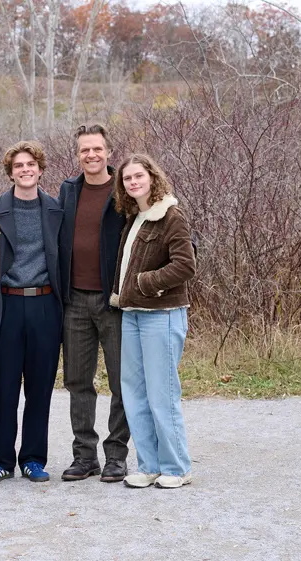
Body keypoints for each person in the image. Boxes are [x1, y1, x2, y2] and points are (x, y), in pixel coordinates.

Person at [109, 153, 196, 489]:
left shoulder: (170, 216)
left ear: (152, 177)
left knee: (163, 393)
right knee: (135, 393)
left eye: (138, 176)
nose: (133, 182)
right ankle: (148, 465)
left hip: (162, 315)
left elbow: (185, 265)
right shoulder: (136, 218)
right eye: (127, 179)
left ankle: (177, 467)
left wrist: (145, 283)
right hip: (130, 315)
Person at [0, 140, 63, 485]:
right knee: (5, 387)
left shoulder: (57, 210)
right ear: (10, 172)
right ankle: (1, 460)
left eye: (31, 164)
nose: (25, 170)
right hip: (7, 304)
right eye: (18, 166)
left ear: (41, 169)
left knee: (41, 388)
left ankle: (32, 458)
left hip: (45, 304)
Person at [57, 124, 130, 482]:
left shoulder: (124, 190)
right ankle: (84, 456)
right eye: (85, 150)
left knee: (122, 381)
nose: (91, 155)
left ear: (109, 152)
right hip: (74, 302)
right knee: (77, 381)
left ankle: (116, 455)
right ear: (78, 155)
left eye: (97, 149)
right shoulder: (68, 191)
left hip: (113, 302)